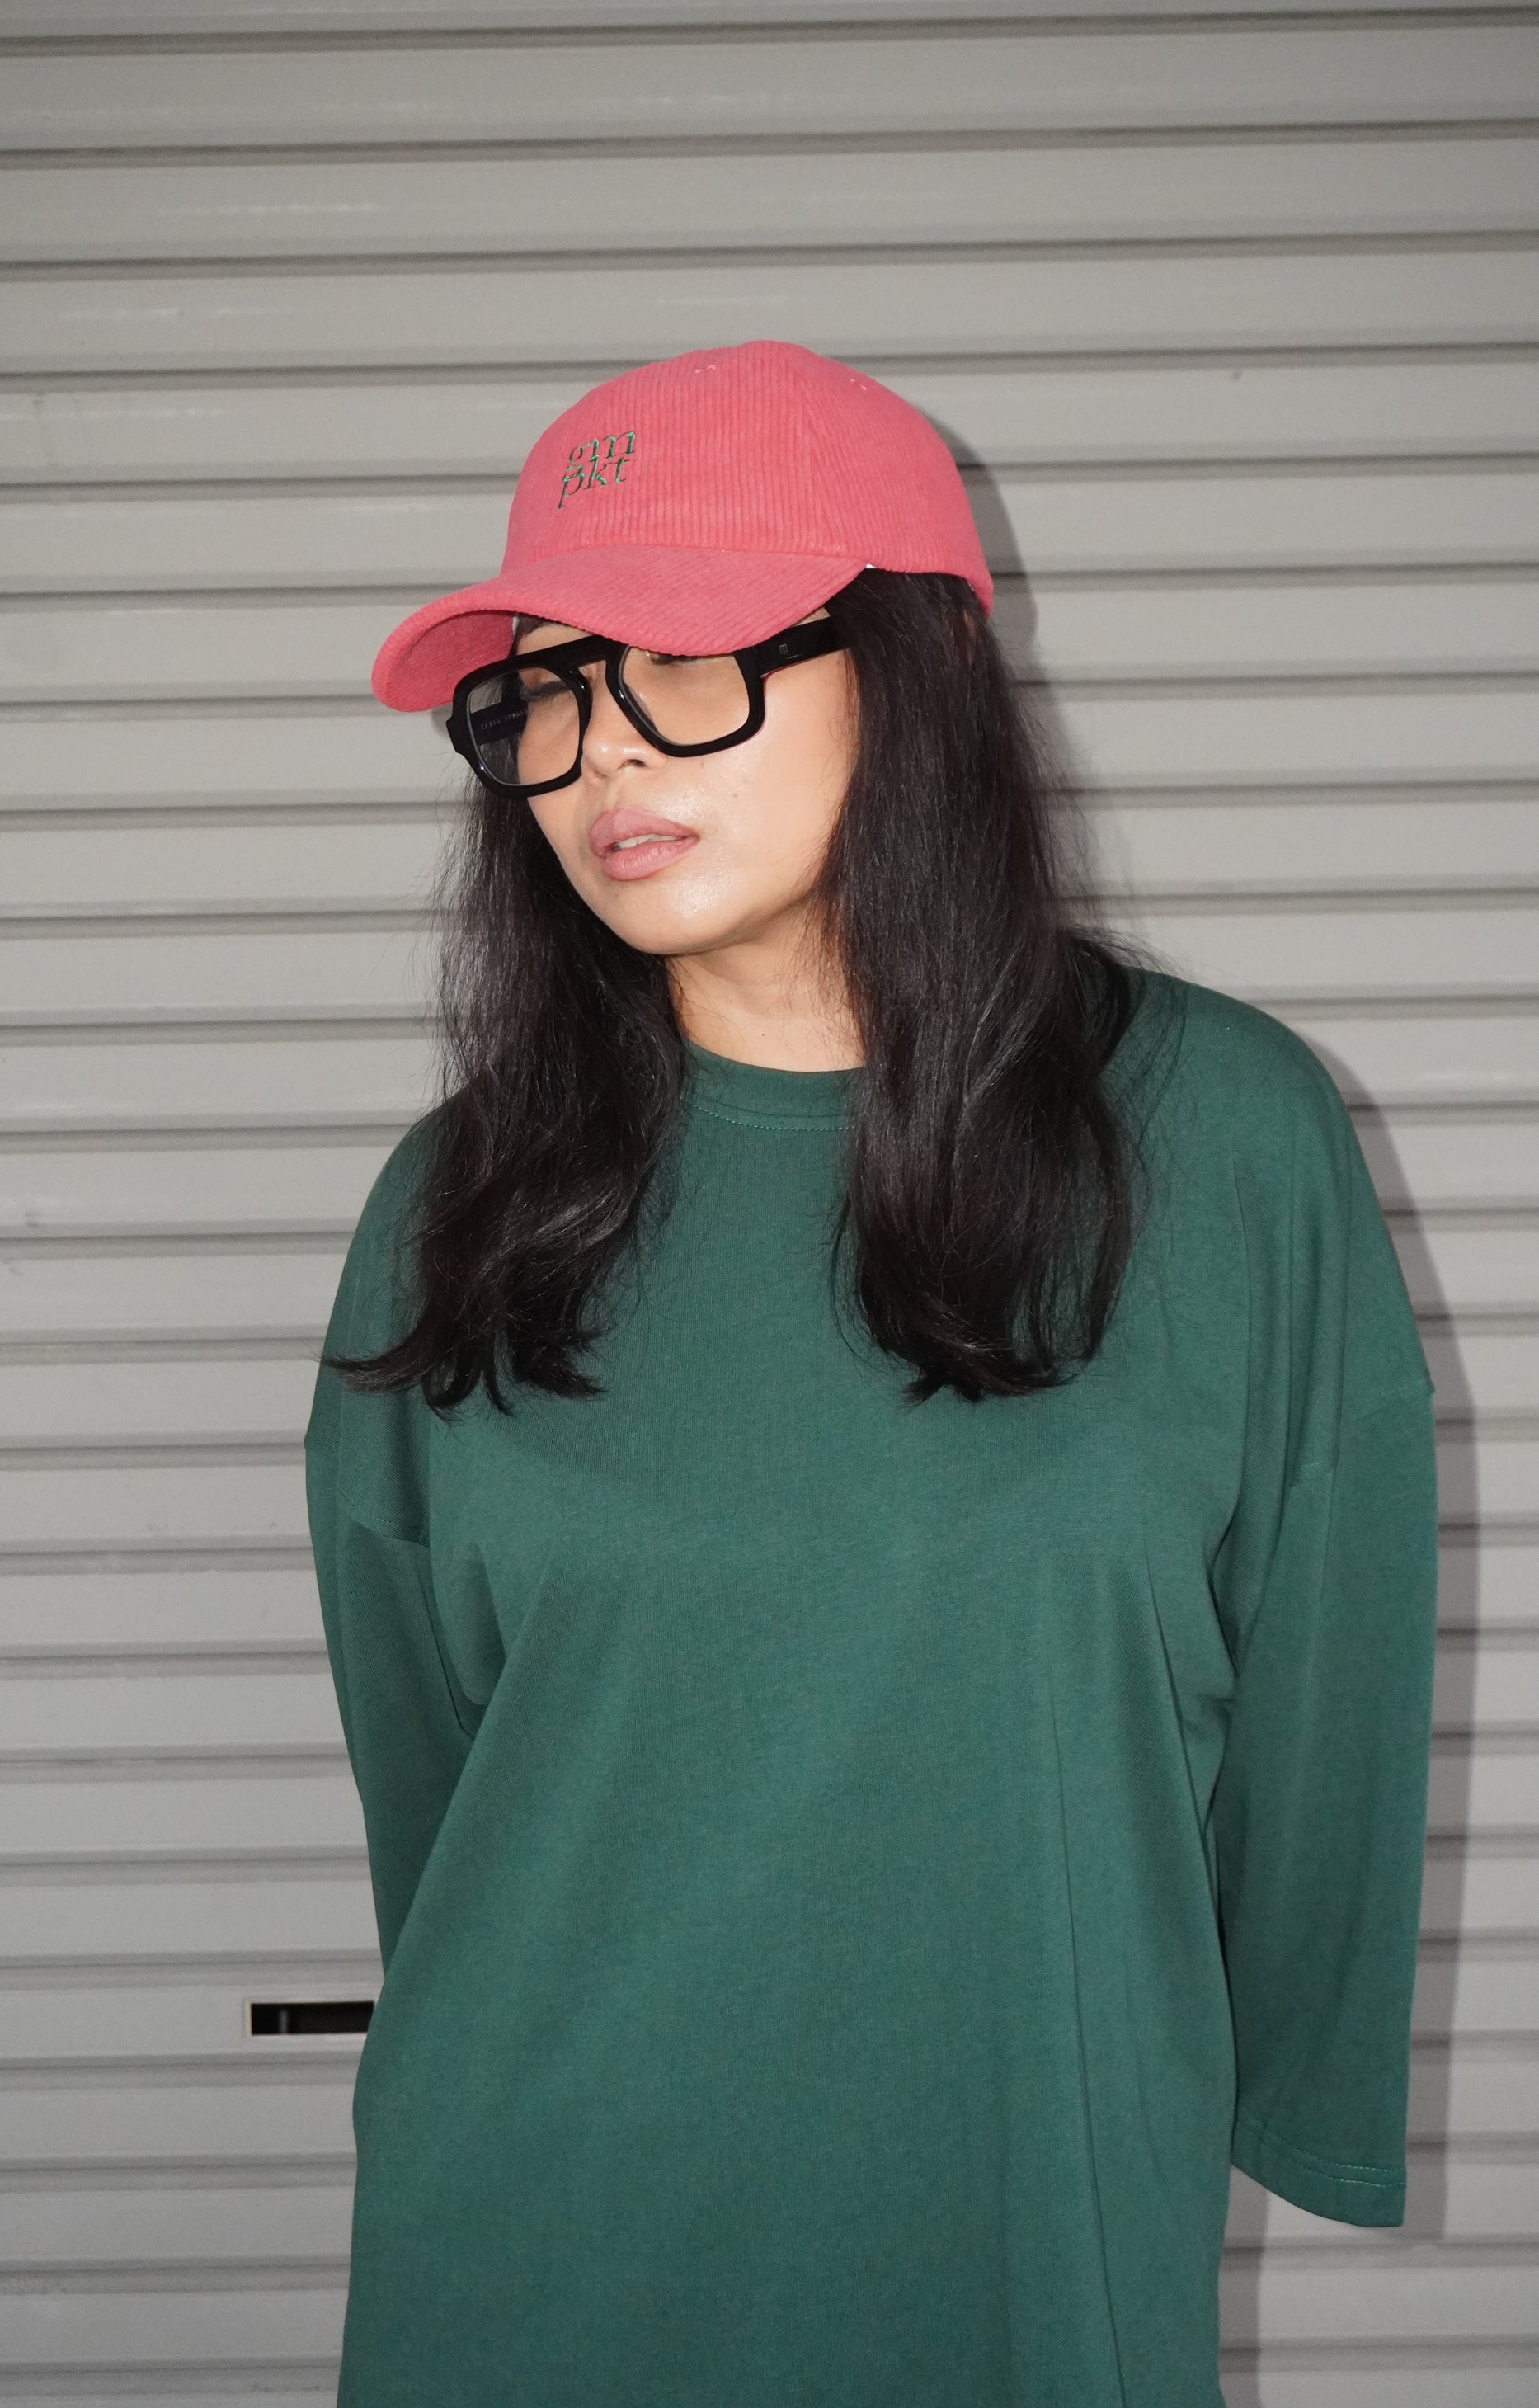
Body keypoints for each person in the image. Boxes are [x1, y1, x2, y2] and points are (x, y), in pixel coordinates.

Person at [304, 339, 1438, 2407]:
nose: (597, 754)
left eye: (683, 661)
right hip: (536, 2239)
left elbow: (1328, 1678)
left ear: (917, 668)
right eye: (544, 691)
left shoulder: (1223, 1141)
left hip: (1026, 2216)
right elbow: (433, 1783)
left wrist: (1285, 2078)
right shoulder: (464, 1205)